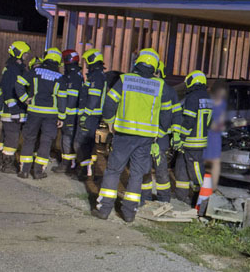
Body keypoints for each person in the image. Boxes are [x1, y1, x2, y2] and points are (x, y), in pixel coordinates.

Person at [93, 48, 166, 222]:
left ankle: (104, 210)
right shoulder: (160, 85)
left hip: (124, 135)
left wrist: (110, 122)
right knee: (137, 174)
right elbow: (164, 113)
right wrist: (159, 133)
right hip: (146, 138)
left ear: (137, 62)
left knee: (113, 171)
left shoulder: (125, 80)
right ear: (155, 65)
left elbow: (109, 102)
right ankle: (129, 213)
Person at [15, 48, 66, 179]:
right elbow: (62, 99)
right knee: (45, 142)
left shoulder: (35, 71)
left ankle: (24, 170)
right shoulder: (60, 78)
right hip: (51, 115)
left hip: (34, 112)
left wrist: (25, 99)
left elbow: (19, 84)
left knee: (29, 139)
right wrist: (61, 116)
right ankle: (38, 171)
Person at [141, 61, 181, 203]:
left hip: (154, 137)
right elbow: (176, 114)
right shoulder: (167, 89)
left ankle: (157, 198)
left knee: (155, 168)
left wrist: (174, 133)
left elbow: (175, 114)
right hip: (155, 136)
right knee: (155, 168)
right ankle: (157, 198)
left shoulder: (164, 90)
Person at [174, 71, 212, 205]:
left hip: (191, 141)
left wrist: (180, 137)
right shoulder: (206, 97)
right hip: (199, 141)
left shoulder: (192, 97)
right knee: (181, 169)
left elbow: (188, 120)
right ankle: (181, 197)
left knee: (195, 171)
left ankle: (201, 200)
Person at [0, 41, 31, 173]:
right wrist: (14, 110)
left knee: (6, 138)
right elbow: (7, 90)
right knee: (12, 138)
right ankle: (7, 165)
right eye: (25, 54)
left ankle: (2, 161)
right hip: (13, 112)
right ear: (18, 53)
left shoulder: (15, 67)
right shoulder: (13, 69)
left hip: (13, 111)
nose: (26, 56)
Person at [74, 49, 107, 181]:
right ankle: (89, 171)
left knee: (81, 143)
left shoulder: (97, 76)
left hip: (90, 116)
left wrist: (85, 115)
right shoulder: (97, 75)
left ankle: (84, 172)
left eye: (87, 61)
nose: (86, 64)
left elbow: (93, 99)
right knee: (88, 144)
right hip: (92, 115)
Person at [53, 49, 83, 174]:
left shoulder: (67, 78)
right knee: (72, 140)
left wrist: (61, 116)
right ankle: (73, 165)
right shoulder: (79, 77)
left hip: (68, 115)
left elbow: (63, 98)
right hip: (77, 115)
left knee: (66, 139)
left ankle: (65, 165)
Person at [198, 79, 228, 200]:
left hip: (213, 135)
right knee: (204, 161)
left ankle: (212, 187)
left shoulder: (220, 104)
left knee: (214, 162)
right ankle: (203, 184)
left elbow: (221, 122)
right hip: (208, 134)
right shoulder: (210, 101)